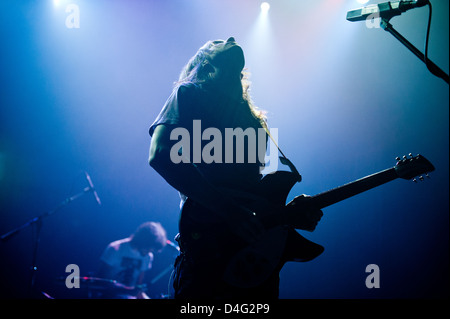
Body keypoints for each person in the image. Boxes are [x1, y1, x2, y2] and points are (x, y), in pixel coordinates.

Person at [148, 37, 323, 299]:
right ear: (206, 63)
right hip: (210, 246)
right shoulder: (189, 93)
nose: (230, 39)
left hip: (255, 259)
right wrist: (230, 211)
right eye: (218, 41)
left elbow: (258, 191)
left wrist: (287, 216)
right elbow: (160, 154)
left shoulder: (254, 118)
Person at [98, 221, 167, 299]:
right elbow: (101, 281)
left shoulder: (148, 257)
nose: (149, 252)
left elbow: (138, 287)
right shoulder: (115, 248)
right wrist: (125, 290)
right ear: (143, 241)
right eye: (148, 248)